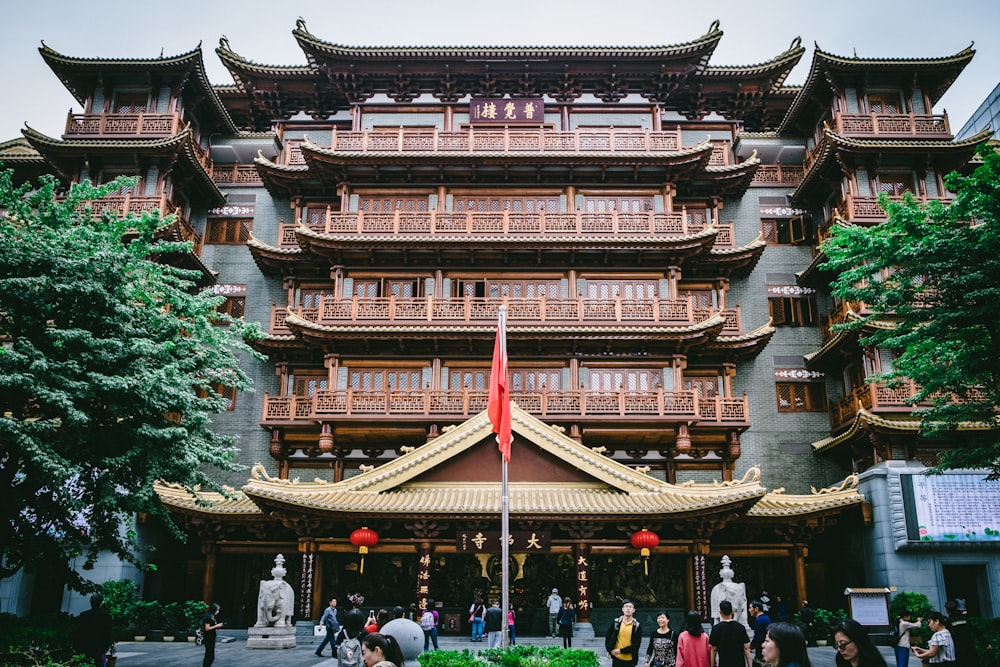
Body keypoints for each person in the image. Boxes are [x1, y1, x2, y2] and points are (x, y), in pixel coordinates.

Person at [74, 593, 113, 667]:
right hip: (99, 647)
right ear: (101, 603)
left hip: (84, 645)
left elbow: (78, 632)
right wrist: (106, 646)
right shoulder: (106, 616)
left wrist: (76, 646)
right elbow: (108, 632)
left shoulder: (83, 615)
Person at [710, 600, 751, 667]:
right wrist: (750, 665)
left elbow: (713, 650)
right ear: (732, 611)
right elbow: (746, 648)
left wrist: (712, 665)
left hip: (724, 663)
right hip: (739, 664)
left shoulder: (716, 629)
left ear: (720, 612)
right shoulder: (740, 627)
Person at [945, 598, 983, 667]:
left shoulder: (949, 622)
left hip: (958, 650)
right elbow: (975, 631)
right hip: (970, 648)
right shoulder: (965, 618)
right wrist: (986, 644)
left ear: (947, 610)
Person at [606, 599, 643, 667]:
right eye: (626, 606)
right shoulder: (616, 622)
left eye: (630, 607)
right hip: (617, 658)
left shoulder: (637, 626)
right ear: (622, 609)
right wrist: (609, 649)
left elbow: (636, 645)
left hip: (630, 660)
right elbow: (608, 637)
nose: (628, 609)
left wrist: (621, 651)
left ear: (634, 610)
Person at [749, 599, 771, 664]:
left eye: (750, 608)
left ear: (756, 608)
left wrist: (751, 645)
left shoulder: (759, 621)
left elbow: (758, 638)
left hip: (761, 651)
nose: (749, 610)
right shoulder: (766, 618)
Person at [202, 602, 223, 667]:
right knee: (209, 655)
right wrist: (217, 626)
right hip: (208, 637)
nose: (218, 611)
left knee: (210, 655)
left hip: (211, 637)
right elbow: (207, 628)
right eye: (217, 610)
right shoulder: (208, 617)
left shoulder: (212, 617)